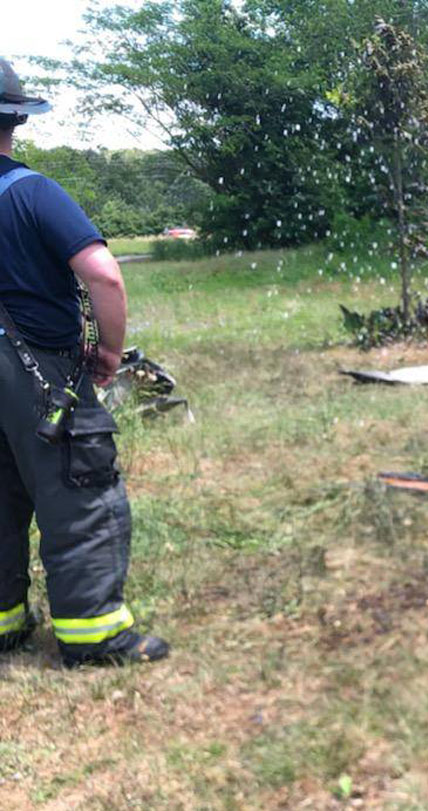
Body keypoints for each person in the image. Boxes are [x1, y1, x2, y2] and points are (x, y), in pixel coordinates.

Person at [0, 57, 169, 666]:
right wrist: (110, 351)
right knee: (79, 491)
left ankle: (4, 624)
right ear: (16, 116)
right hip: (38, 373)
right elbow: (103, 275)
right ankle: (93, 635)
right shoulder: (34, 193)